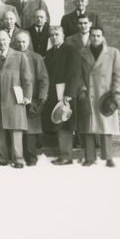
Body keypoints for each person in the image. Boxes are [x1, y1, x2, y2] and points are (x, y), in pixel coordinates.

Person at [68, 25, 120, 167]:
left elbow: (118, 75)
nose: (95, 38)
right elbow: (78, 74)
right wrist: (82, 89)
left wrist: (116, 94)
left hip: (105, 96)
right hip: (88, 94)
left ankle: (108, 157)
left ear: (102, 37)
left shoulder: (113, 53)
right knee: (88, 127)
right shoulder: (82, 53)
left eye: (98, 36)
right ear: (90, 36)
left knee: (106, 128)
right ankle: (89, 157)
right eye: (93, 35)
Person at [0, 28, 33, 168]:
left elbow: (27, 78)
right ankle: (1, 158)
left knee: (16, 128)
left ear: (9, 40)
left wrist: (27, 96)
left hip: (14, 97)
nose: (1, 42)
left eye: (4, 39)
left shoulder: (20, 56)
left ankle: (18, 159)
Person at [15, 31, 49, 166]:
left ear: (28, 43)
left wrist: (41, 98)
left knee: (30, 130)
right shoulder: (12, 56)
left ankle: (31, 158)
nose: (21, 44)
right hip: (15, 97)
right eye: (18, 42)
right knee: (18, 128)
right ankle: (18, 156)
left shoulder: (36, 58)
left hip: (32, 98)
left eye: (23, 42)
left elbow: (43, 79)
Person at [42, 27, 75, 165]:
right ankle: (62, 153)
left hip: (64, 92)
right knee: (57, 123)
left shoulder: (70, 50)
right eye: (51, 35)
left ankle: (66, 156)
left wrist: (69, 93)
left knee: (65, 124)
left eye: (57, 34)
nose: (54, 37)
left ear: (63, 35)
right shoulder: (49, 53)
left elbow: (75, 73)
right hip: (52, 92)